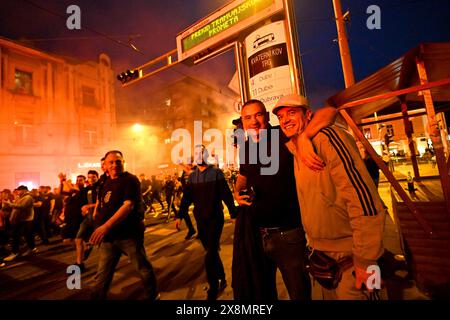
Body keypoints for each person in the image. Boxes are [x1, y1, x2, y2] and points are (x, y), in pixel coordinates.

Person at [273, 94, 386, 300]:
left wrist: (367, 260)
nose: (285, 120)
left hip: (354, 257)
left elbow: (364, 200)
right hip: (324, 259)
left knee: (370, 294)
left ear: (308, 114)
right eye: (280, 116)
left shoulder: (328, 137)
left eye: (291, 113)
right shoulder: (294, 147)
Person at [233, 99, 336, 300]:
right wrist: (237, 192)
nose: (253, 122)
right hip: (258, 235)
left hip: (288, 235)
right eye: (248, 117)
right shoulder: (246, 147)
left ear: (266, 117)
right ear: (243, 123)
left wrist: (305, 137)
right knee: (263, 293)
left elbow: (330, 112)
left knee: (299, 294)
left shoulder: (282, 136)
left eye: (258, 115)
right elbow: (243, 175)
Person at [90, 150, 159, 300]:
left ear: (123, 163)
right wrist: (97, 223)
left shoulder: (130, 180)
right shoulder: (106, 182)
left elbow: (128, 206)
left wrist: (105, 226)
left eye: (118, 161)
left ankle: (153, 295)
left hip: (128, 235)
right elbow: (103, 204)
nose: (115, 165)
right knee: (102, 275)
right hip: (109, 238)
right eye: (111, 162)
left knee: (143, 268)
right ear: (105, 165)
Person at [177, 145, 236, 300]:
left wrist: (233, 213)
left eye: (201, 153)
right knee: (211, 251)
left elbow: (226, 194)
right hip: (200, 220)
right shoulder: (192, 177)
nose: (198, 156)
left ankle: (213, 286)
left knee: (210, 253)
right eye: (196, 153)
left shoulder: (216, 173)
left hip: (215, 218)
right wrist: (180, 215)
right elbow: (186, 198)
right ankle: (222, 277)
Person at [3, 186, 37, 262]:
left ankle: (15, 252)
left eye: (19, 190)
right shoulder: (22, 197)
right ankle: (32, 248)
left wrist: (10, 204)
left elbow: (22, 206)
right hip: (22, 219)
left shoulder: (28, 197)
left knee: (16, 236)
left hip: (25, 220)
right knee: (27, 235)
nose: (18, 192)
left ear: (24, 190)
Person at [74, 170, 99, 272]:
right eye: (89, 177)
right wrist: (82, 209)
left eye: (93, 177)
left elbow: (102, 203)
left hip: (99, 218)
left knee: (104, 243)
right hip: (88, 218)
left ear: (97, 177)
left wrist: (89, 206)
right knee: (78, 239)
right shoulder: (87, 189)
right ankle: (80, 264)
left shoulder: (101, 187)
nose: (91, 179)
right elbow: (80, 200)